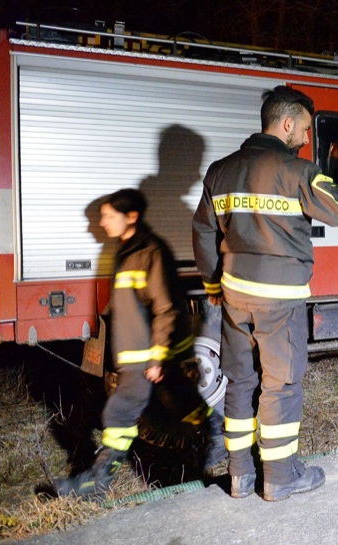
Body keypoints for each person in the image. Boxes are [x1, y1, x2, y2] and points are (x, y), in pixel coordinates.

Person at [192, 85, 338, 501]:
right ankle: (279, 477)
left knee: (239, 382)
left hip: (235, 295)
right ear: (287, 123)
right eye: (306, 129)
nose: (308, 139)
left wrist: (212, 283)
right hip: (279, 299)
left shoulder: (219, 172)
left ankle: (240, 476)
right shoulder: (296, 172)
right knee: (282, 384)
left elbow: (203, 232)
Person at [55, 189, 227, 500]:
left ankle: (96, 485)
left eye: (109, 216)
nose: (102, 222)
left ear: (131, 217)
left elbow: (165, 308)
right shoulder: (126, 251)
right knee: (181, 403)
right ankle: (215, 431)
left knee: (120, 415)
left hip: (148, 355)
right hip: (138, 355)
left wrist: (157, 357)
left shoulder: (150, 253)